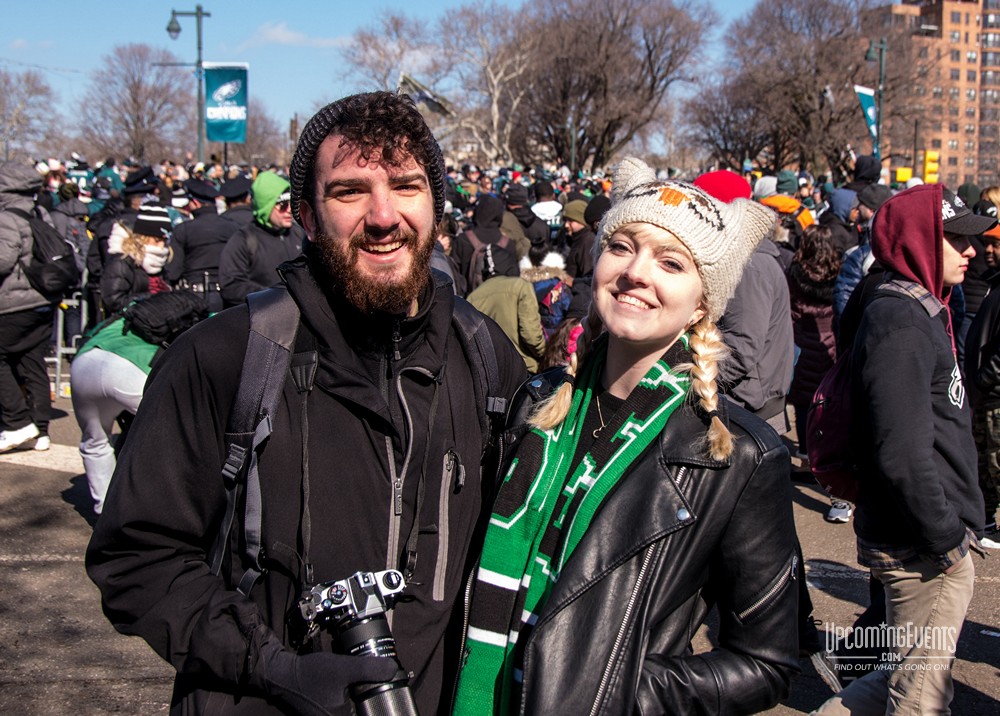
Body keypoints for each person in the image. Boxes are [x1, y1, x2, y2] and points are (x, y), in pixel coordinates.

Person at [86, 90, 527, 716]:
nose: (383, 215)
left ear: (436, 206)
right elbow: (136, 559)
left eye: (406, 185)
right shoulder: (224, 357)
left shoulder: (485, 355)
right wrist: (272, 666)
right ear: (308, 217)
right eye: (349, 191)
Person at [453, 158, 798, 715]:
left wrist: (622, 690)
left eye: (670, 262)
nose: (637, 272)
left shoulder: (736, 456)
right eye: (621, 246)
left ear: (702, 303)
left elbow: (768, 663)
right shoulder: (535, 400)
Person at [813, 184, 992, 715]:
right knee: (918, 697)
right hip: (920, 546)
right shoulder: (901, 319)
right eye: (956, 239)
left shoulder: (917, 306)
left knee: (905, 677)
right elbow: (901, 454)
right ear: (921, 239)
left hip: (922, 539)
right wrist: (946, 538)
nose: (972, 251)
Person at [0, 162, 53, 452]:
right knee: (33, 363)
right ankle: (40, 429)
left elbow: (3, 260)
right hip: (42, 299)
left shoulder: (7, 217)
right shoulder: (39, 212)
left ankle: (17, 421)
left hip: (12, 302)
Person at [218, 171, 306, 307]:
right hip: (263, 319)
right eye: (282, 205)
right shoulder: (244, 239)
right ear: (266, 206)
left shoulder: (299, 234)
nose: (289, 210)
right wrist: (272, 296)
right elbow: (231, 285)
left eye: (292, 203)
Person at [467, 244, 547, 372]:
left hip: (489, 372)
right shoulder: (520, 286)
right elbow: (530, 335)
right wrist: (544, 352)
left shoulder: (472, 297)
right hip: (522, 367)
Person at [165, 179, 236, 312]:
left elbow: (173, 271)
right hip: (227, 297)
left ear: (195, 203)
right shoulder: (232, 227)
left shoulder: (183, 229)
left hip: (193, 298)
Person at [99, 206, 173, 314]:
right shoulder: (122, 263)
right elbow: (114, 302)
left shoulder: (159, 262)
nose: (161, 246)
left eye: (164, 241)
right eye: (157, 240)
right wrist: (153, 298)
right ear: (143, 237)